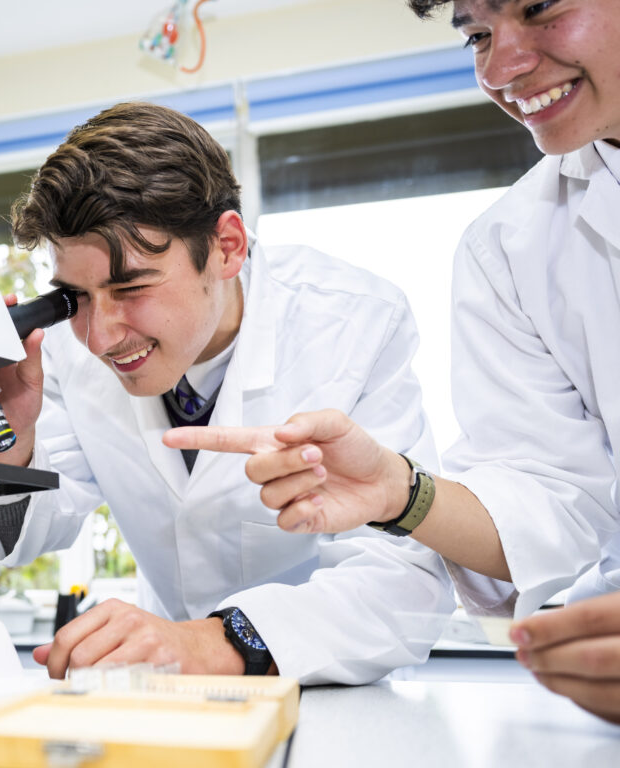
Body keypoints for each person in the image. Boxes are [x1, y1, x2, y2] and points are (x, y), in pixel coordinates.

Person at [167, 0, 620, 723]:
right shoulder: (509, 247)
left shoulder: (351, 310)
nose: (501, 68)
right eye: (477, 35)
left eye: (541, 10)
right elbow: (554, 510)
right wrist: (400, 492)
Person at [0, 101, 454, 684]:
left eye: (131, 286)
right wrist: (8, 448)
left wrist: (216, 641)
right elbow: (21, 540)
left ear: (226, 247)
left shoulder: (355, 324)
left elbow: (405, 581)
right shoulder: (69, 352)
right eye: (79, 298)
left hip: (325, 689)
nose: (99, 337)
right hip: (174, 694)